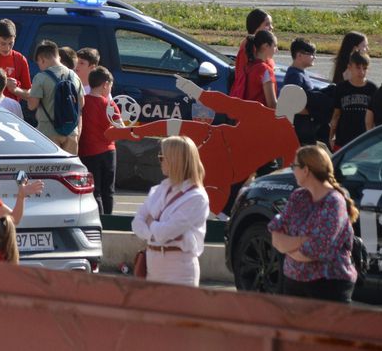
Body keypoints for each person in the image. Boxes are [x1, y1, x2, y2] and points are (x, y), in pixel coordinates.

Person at [110, 77, 306, 216]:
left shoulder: (288, 138)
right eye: (282, 96)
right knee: (177, 126)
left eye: (286, 98)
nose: (281, 101)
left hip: (227, 166)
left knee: (210, 200)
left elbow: (288, 172)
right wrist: (195, 91)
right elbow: (227, 104)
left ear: (294, 106)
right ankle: (130, 133)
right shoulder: (263, 114)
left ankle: (205, 218)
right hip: (215, 138)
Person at [268, 145, 359, 302]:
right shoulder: (298, 196)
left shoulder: (334, 202)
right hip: (293, 283)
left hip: (328, 286)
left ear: (306, 170)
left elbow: (314, 250)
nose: (292, 170)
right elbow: (276, 236)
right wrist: (302, 241)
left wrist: (288, 248)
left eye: (294, 166)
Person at [131, 135, 210, 287]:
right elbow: (136, 223)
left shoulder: (196, 197)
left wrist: (150, 224)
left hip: (179, 270)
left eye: (162, 157)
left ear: (175, 160)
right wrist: (154, 232)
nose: (159, 161)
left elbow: (165, 233)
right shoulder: (158, 190)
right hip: (152, 266)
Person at [27, 40, 85, 153]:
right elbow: (81, 103)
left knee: (50, 168)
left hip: (48, 132)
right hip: (71, 132)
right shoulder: (74, 76)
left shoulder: (40, 77)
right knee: (68, 169)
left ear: (42, 59)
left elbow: (32, 106)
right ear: (58, 56)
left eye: (39, 62)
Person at [78, 66, 120, 215]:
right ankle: (109, 221)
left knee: (95, 191)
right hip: (109, 151)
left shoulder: (83, 102)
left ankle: (99, 219)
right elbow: (119, 128)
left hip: (88, 152)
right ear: (105, 85)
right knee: (108, 190)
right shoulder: (109, 104)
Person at [329, 51, 377, 150]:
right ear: (350, 67)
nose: (362, 72)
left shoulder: (372, 89)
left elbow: (375, 118)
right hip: (343, 139)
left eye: (365, 68)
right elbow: (336, 114)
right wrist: (331, 136)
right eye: (358, 67)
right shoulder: (341, 88)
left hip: (364, 140)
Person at [281, 37, 319, 145]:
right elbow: (291, 105)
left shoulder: (301, 73)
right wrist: (313, 112)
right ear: (299, 55)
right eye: (311, 53)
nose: (314, 57)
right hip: (300, 129)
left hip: (305, 127)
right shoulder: (294, 76)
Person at [230, 9, 272, 99]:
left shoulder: (255, 44)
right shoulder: (250, 47)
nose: (271, 27)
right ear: (257, 27)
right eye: (267, 24)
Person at [243, 30, 279, 109]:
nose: (277, 50)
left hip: (247, 114)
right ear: (265, 46)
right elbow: (272, 104)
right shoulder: (265, 70)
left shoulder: (249, 66)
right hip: (261, 117)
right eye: (275, 46)